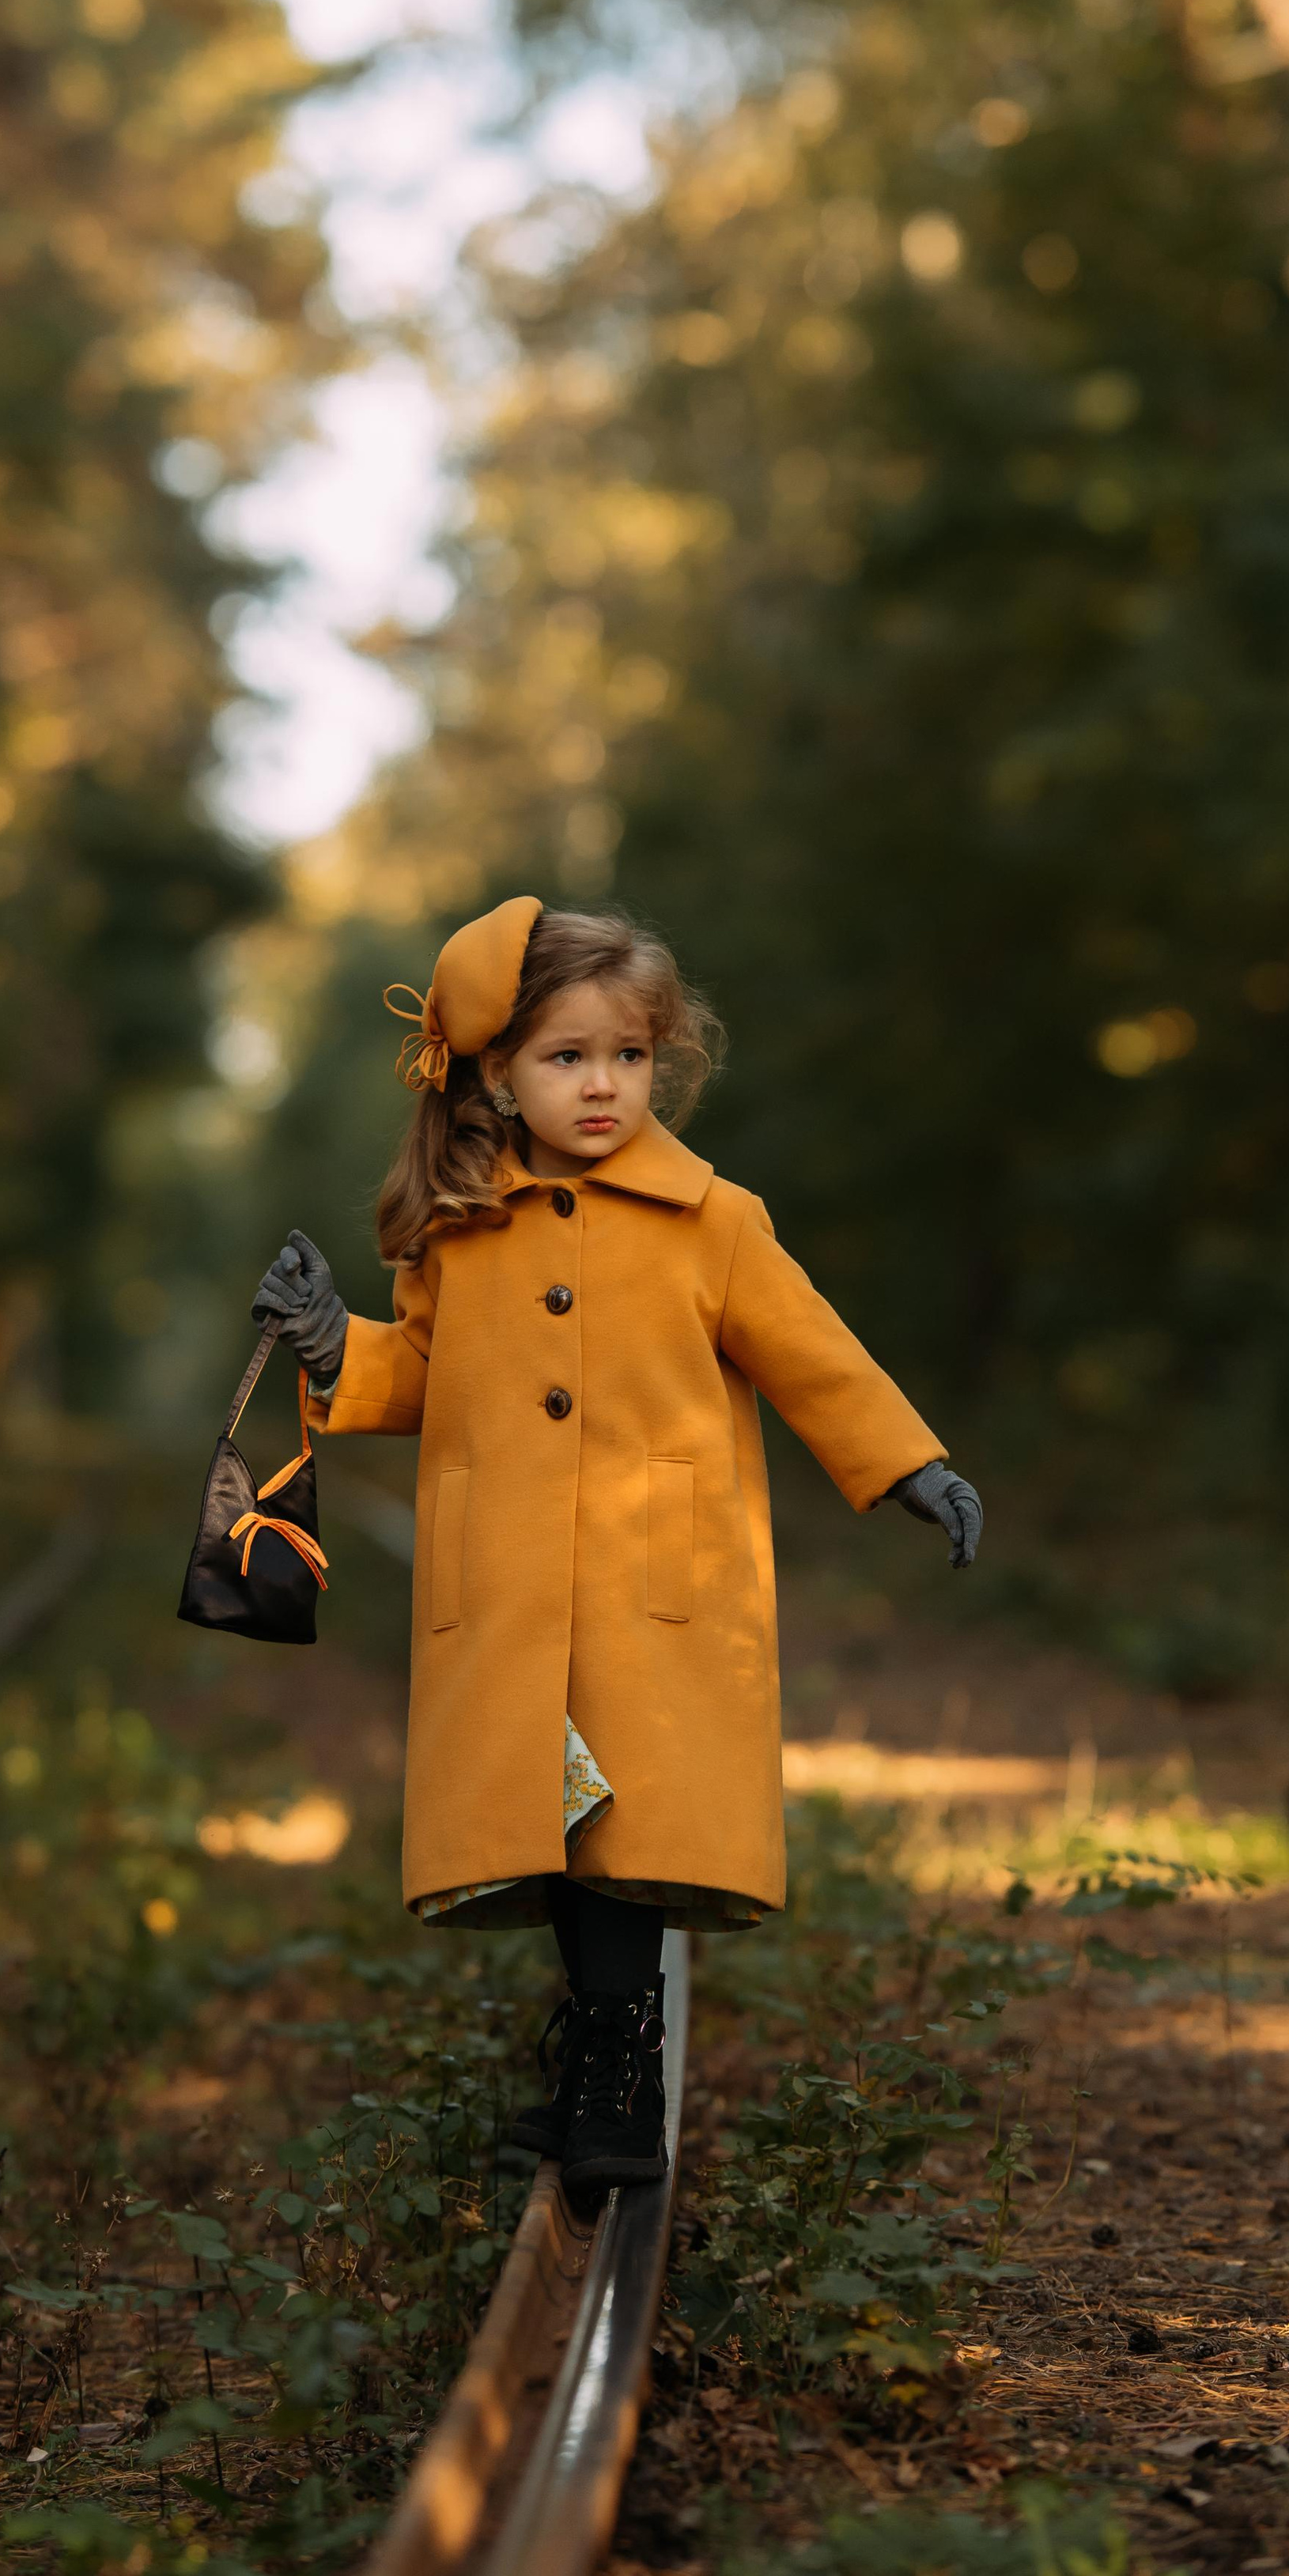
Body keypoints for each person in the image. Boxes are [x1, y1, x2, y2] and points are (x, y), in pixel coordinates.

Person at [249, 897, 981, 2196]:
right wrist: (332, 1347)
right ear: (498, 1072)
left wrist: (909, 1464)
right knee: (559, 1819)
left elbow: (813, 1353)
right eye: (567, 1056)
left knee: (624, 1826)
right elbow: (425, 1376)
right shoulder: (461, 1226)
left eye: (628, 1056)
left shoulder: (713, 1219)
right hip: (518, 1581)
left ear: (661, 1060)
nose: (602, 1084)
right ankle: (594, 2061)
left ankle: (619, 2081)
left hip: (654, 1583)